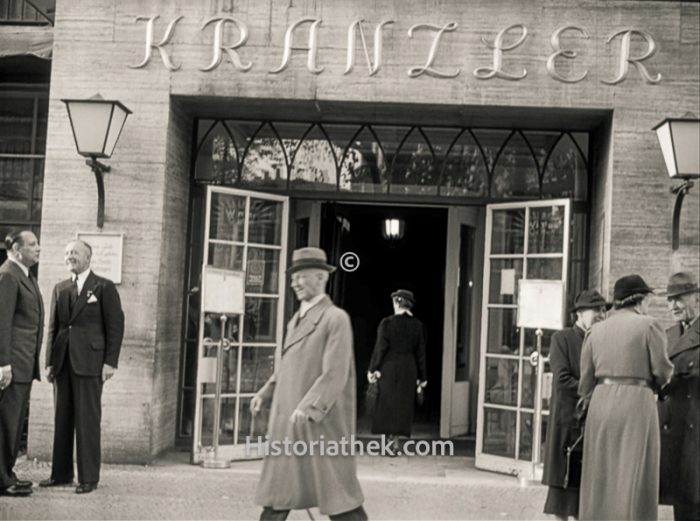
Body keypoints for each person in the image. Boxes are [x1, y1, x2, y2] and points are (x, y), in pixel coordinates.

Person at [250, 247, 366, 521]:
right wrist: (266, 392)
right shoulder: (296, 319)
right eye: (293, 277)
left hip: (319, 424)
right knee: (279, 494)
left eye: (301, 276)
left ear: (320, 278)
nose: (294, 283)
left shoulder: (335, 318)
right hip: (288, 422)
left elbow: (334, 373)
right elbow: (288, 364)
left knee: (339, 497)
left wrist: (309, 408)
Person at [578, 274, 673, 520]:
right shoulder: (649, 325)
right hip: (637, 402)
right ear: (640, 301)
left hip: (601, 403)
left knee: (601, 471)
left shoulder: (595, 331)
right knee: (636, 469)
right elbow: (662, 371)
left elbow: (585, 381)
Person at [39, 240, 124, 494]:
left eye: (75, 252)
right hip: (63, 363)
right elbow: (53, 328)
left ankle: (88, 478)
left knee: (87, 421)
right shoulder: (60, 288)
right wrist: (49, 363)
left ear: (88, 257)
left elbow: (116, 326)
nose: (70, 256)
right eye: (67, 253)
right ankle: (61, 474)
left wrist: (110, 362)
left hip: (91, 364)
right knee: (62, 419)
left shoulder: (104, 287)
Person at [542, 289, 609, 520]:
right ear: (579, 314)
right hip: (567, 421)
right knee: (563, 487)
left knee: (586, 489)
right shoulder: (562, 339)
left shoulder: (603, 340)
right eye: (596, 310)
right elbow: (562, 380)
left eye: (604, 310)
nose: (601, 314)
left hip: (593, 420)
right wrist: (595, 391)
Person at [0, 231, 43, 497]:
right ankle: (2, 480)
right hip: (12, 365)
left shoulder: (23, 274)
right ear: (17, 249)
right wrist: (3, 364)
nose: (39, 248)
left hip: (23, 363)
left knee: (13, 423)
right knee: (6, 422)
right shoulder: (8, 275)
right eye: (33, 244)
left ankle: (7, 473)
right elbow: (2, 323)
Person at [659, 272, 700, 520]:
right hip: (676, 431)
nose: (673, 305)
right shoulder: (667, 335)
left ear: (696, 298)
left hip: (697, 423)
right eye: (670, 299)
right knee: (682, 504)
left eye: (680, 299)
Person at [367, 289, 427, 451]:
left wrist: (373, 369)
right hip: (409, 368)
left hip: (389, 367)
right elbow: (421, 353)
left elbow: (380, 348)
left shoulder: (387, 323)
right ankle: (395, 444)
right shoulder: (418, 326)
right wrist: (422, 377)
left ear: (397, 303)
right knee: (402, 405)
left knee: (386, 404)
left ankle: (385, 443)